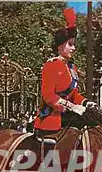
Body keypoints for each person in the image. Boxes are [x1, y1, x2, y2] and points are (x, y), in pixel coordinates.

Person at [33, 8, 96, 141]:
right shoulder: (51, 65)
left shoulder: (72, 67)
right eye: (70, 44)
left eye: (74, 45)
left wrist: (86, 103)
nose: (74, 48)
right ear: (60, 46)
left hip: (68, 116)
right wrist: (72, 106)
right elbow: (48, 96)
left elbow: (73, 94)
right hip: (51, 119)